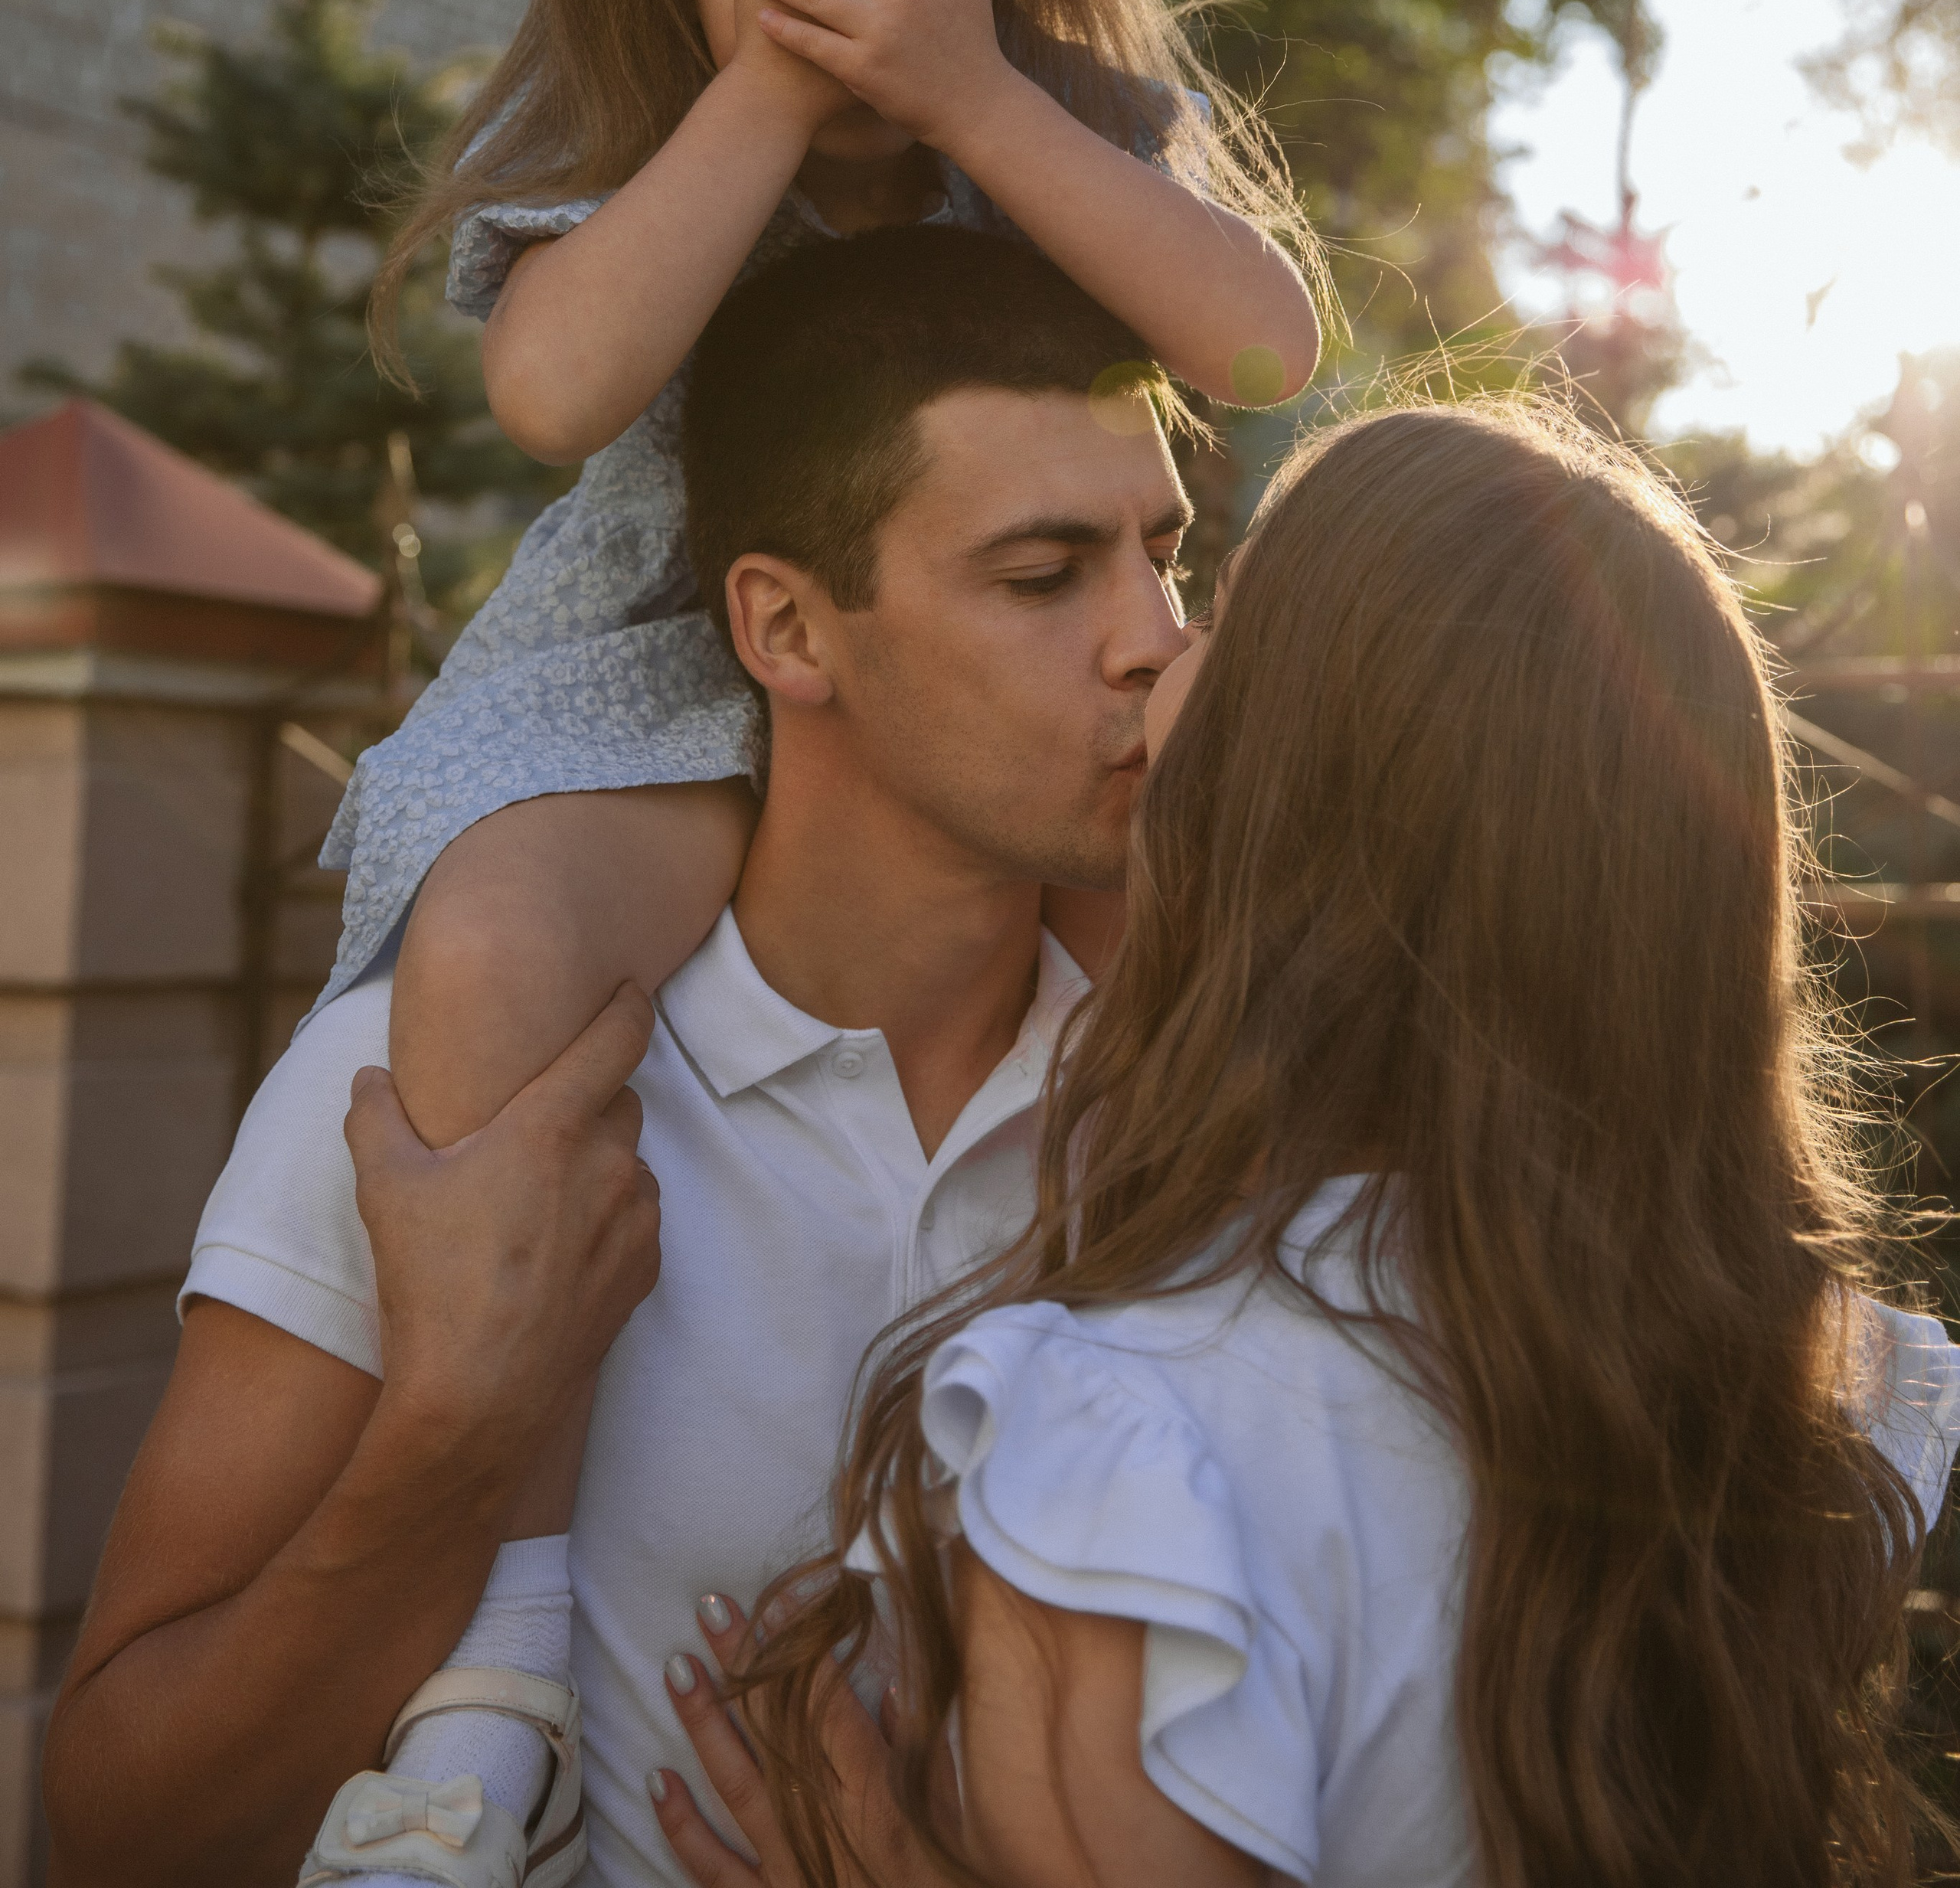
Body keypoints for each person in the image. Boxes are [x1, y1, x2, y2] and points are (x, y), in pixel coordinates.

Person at [664, 399, 1960, 1888]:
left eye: (1218, 613)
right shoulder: (1799, 1396)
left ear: (1283, 788)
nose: (1155, 658)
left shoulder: (1133, 1458)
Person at [41, 228, 1198, 1888]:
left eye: (1166, 552)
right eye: (1040, 576)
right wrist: (452, 1433)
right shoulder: (450, 1101)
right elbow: (115, 1826)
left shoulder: (1219, 1125)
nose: (1151, 639)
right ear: (786, 631)